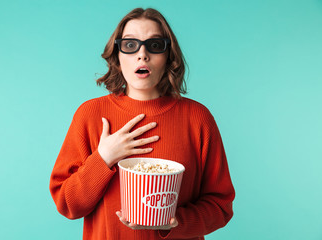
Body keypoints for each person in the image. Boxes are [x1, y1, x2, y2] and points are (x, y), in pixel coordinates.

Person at [49, 7, 235, 240]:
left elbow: (221, 206)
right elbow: (67, 204)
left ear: (168, 56)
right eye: (130, 45)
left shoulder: (198, 118)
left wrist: (174, 223)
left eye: (155, 45)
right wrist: (104, 158)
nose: (142, 54)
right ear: (117, 55)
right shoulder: (90, 115)